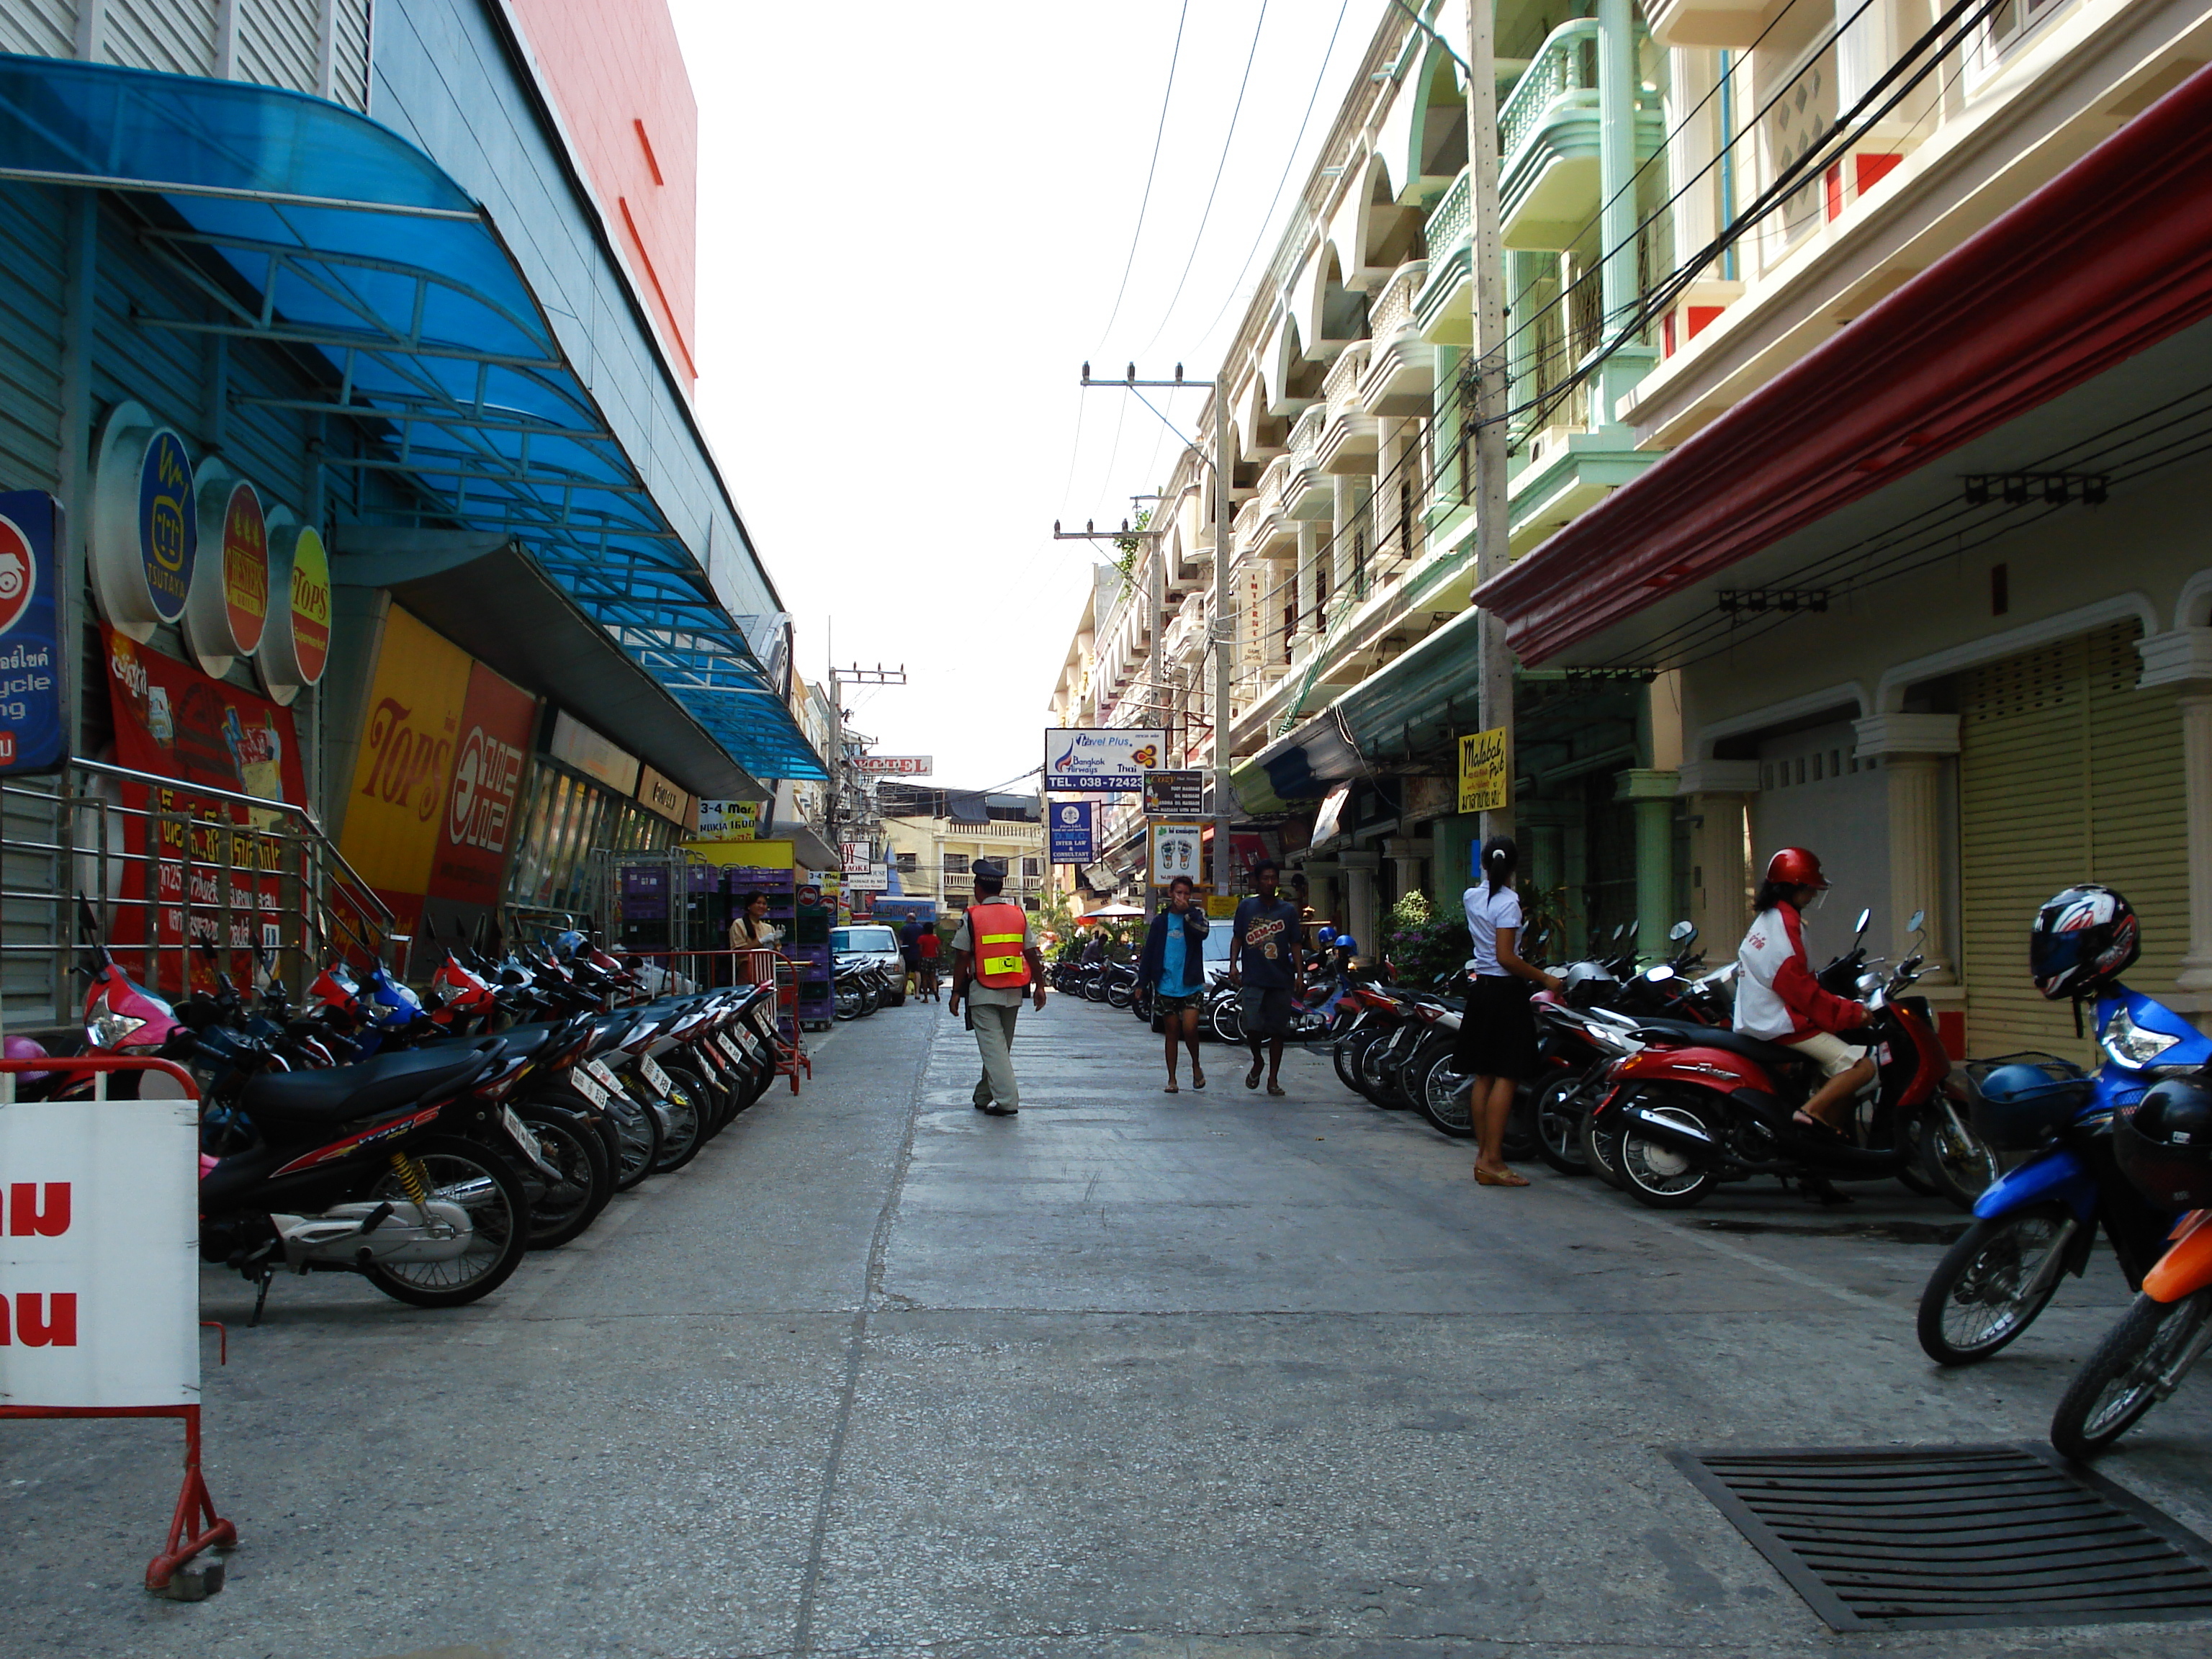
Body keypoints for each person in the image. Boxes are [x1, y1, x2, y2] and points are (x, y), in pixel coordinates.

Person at [1737, 847, 1876, 1135]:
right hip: (1782, 1023)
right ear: (1794, 888)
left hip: (1759, 1017)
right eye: (1810, 889)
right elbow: (1802, 993)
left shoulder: (1769, 919)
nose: (1813, 896)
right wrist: (1851, 1013)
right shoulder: (1784, 929)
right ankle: (1809, 1112)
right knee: (1861, 1068)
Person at [1456, 837, 1563, 1188]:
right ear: (1514, 867)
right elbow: (1507, 957)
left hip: (1482, 991)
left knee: (1484, 1075)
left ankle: (1483, 1157)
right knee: (1507, 1074)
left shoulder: (1473, 897)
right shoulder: (1509, 903)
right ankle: (1494, 1160)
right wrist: (1544, 977)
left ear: (1485, 865)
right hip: (1505, 992)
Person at [948, 859, 1046, 1116]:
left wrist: (956, 993)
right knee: (998, 1047)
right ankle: (983, 1095)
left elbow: (961, 957)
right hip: (1013, 990)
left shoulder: (972, 915)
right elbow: (1031, 953)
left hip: (982, 991)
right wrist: (1040, 986)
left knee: (994, 1048)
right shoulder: (1018, 914)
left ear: (977, 889)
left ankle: (1007, 1101)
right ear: (1000, 889)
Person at [1229, 859, 1303, 1096]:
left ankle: (1273, 1078)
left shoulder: (1288, 911)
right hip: (1253, 978)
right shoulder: (1246, 908)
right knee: (1252, 1025)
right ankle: (1257, 1060)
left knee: (1278, 1031)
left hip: (1281, 979)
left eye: (1273, 878)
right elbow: (1238, 938)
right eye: (1265, 879)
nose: (1270, 883)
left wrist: (1300, 975)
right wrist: (1233, 966)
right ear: (1257, 882)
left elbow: (1295, 944)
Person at [1138, 875, 1210, 1093]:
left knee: (1190, 1028)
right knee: (1171, 1031)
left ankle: (1196, 1065)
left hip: (1191, 982)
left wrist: (1188, 913)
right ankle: (1172, 1079)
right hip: (1167, 983)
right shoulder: (1161, 921)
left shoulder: (1196, 916)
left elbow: (1203, 934)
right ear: (1170, 894)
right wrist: (1142, 982)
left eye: (1186, 894)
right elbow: (1149, 952)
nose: (1182, 897)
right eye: (1179, 893)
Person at [916, 920, 942, 1002]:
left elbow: (920, 950)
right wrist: (939, 959)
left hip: (924, 958)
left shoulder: (921, 938)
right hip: (933, 958)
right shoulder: (935, 938)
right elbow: (940, 949)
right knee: (933, 977)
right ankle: (935, 990)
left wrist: (919, 960)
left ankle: (926, 998)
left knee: (925, 978)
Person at [898, 917, 922, 999]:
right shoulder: (920, 928)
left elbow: (901, 941)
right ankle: (917, 992)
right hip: (918, 953)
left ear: (909, 919)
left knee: (906, 973)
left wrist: (900, 950)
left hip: (906, 953)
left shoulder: (905, 928)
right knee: (917, 972)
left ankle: (903, 992)